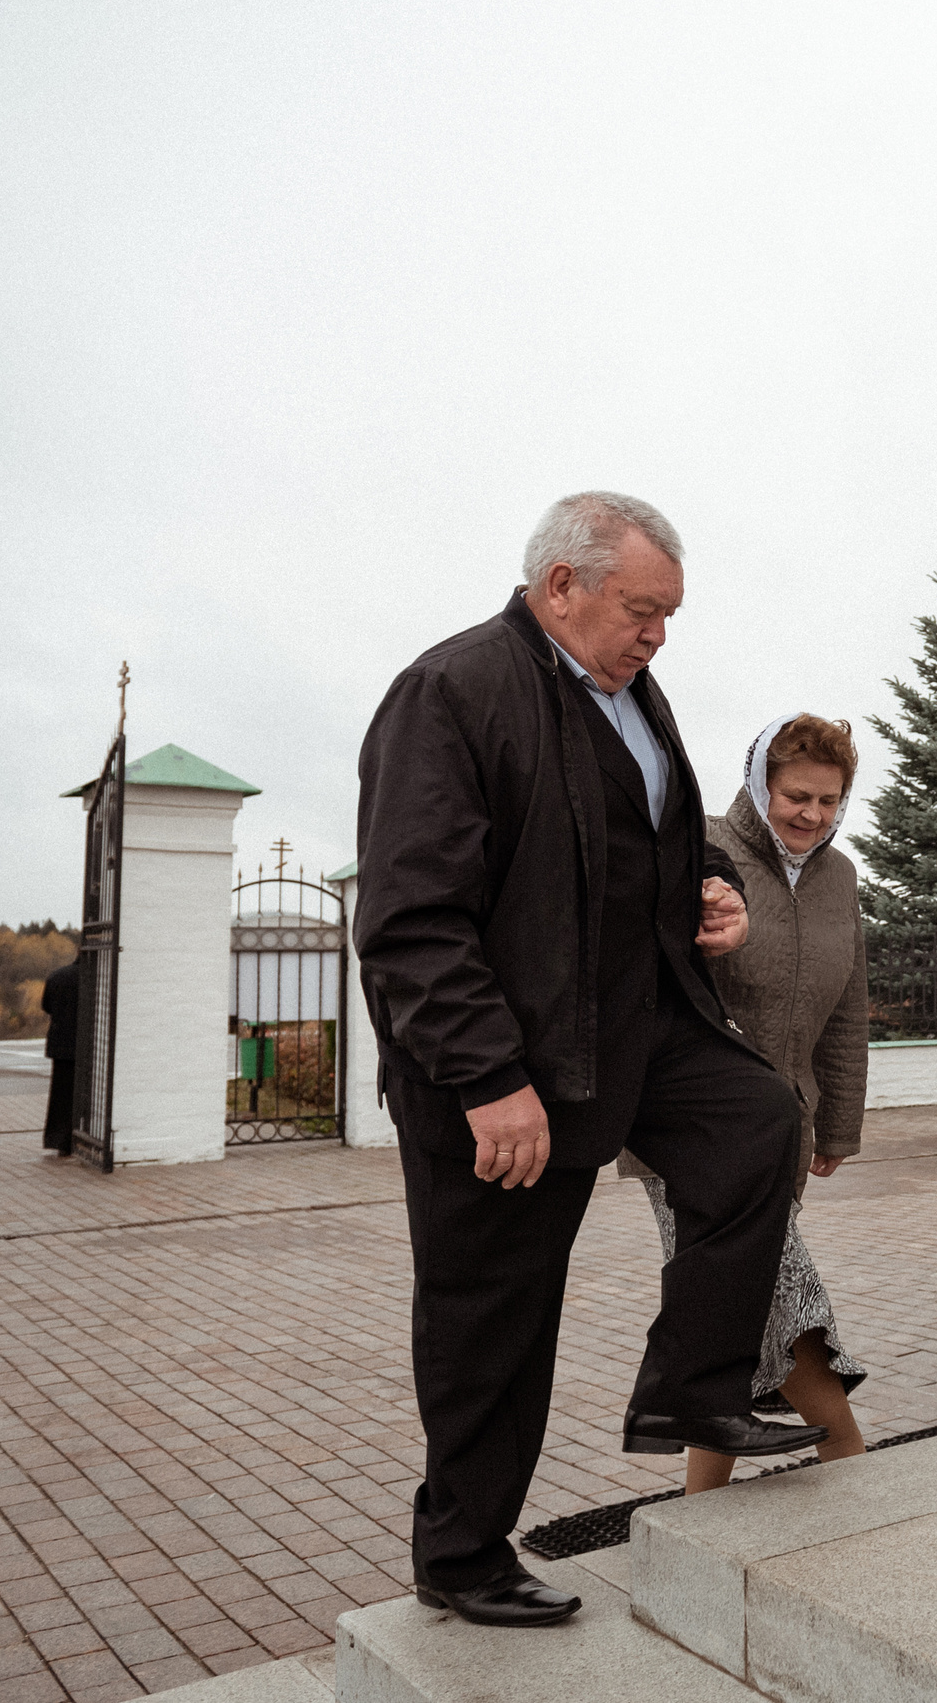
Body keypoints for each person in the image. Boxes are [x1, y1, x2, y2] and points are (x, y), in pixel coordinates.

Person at [354, 491, 825, 1629]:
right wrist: (484, 1077)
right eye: (641, 609)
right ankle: (463, 1551)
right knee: (496, 1316)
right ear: (561, 586)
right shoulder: (454, 689)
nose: (658, 634)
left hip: (633, 1027)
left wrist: (700, 900)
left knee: (758, 1124)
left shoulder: (635, 699)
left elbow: (630, 859)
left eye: (669, 614)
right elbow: (413, 915)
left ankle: (695, 1388)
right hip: (504, 1066)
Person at [628, 712, 872, 1494]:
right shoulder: (706, 850)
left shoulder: (840, 879)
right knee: (789, 1308)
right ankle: (863, 1479)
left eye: (830, 801)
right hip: (692, 1131)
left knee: (736, 1319)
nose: (813, 815)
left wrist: (835, 1123)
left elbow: (847, 1010)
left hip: (784, 1131)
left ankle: (699, 1508)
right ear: (759, 783)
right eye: (797, 795)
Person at [39, 956, 78, 1158]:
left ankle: (58, 1139)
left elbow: (46, 1006)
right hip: (84, 1044)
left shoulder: (57, 976)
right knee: (83, 1095)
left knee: (60, 1095)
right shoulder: (92, 978)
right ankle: (79, 1137)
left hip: (60, 1042)